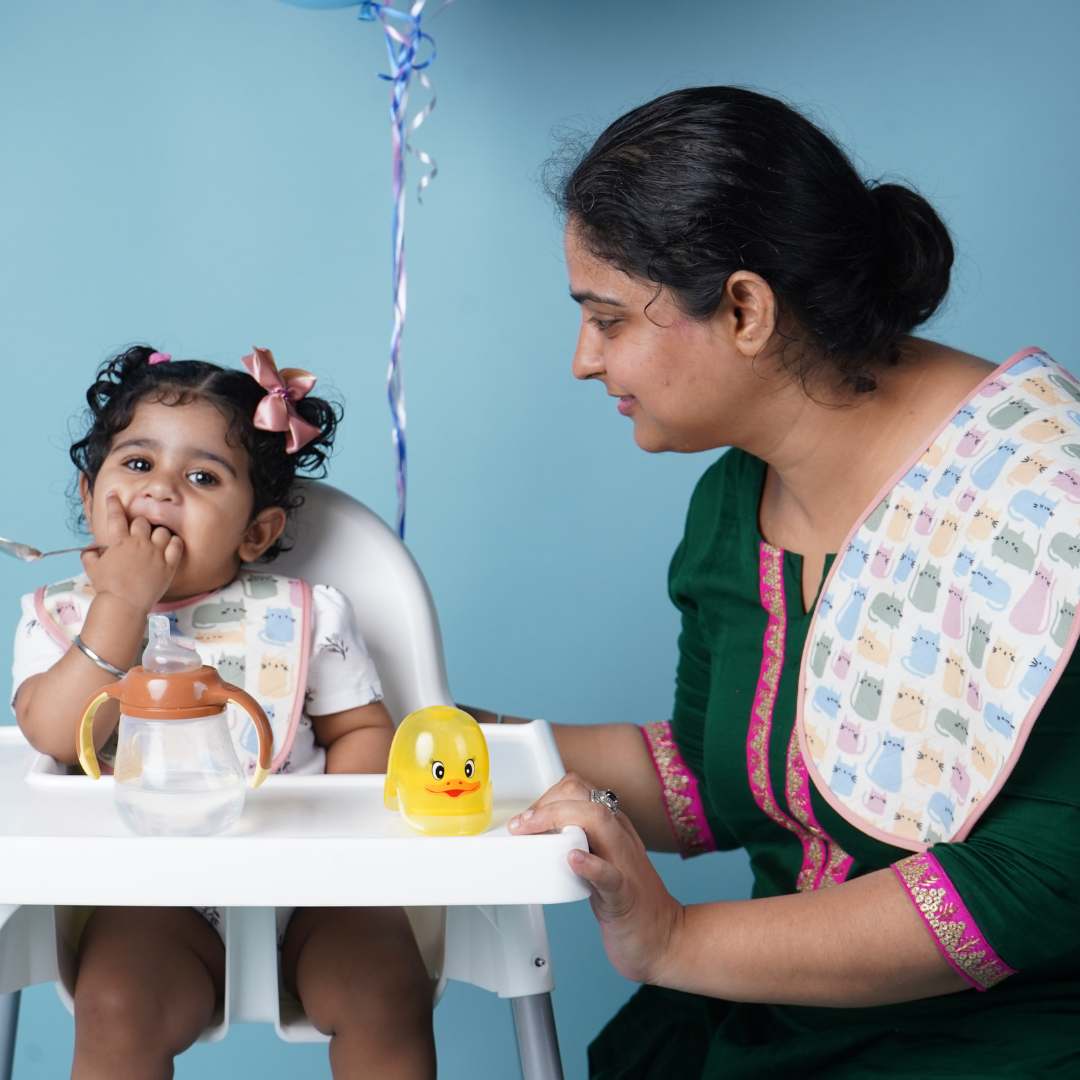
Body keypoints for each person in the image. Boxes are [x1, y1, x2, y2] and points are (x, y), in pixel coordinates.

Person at [485, 87, 1080, 1076]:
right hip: (771, 1024)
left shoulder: (1041, 504)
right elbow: (722, 775)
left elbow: (1030, 885)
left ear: (745, 309)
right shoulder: (735, 503)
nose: (584, 362)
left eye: (607, 319)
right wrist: (447, 735)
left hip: (1006, 1043)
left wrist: (675, 941)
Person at [12, 346, 435, 1079]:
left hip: (314, 892)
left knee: (385, 989)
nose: (163, 490)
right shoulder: (60, 620)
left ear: (256, 534)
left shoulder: (309, 615)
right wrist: (121, 606)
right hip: (152, 897)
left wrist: (344, 838)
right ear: (90, 497)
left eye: (203, 477)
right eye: (138, 465)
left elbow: (362, 731)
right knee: (114, 1003)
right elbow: (52, 734)